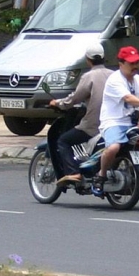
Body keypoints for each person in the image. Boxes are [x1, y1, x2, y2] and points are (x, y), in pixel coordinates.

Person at [91, 46, 139, 198]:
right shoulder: (114, 80)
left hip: (131, 124)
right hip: (113, 122)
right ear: (121, 64)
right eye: (131, 63)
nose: (135, 66)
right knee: (113, 148)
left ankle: (133, 170)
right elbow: (129, 99)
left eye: (137, 62)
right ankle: (101, 175)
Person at [48, 44, 113, 185]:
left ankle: (73, 173)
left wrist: (58, 103)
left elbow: (74, 98)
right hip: (112, 123)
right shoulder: (113, 75)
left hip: (94, 125)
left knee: (63, 141)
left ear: (88, 59)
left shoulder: (88, 76)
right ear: (103, 58)